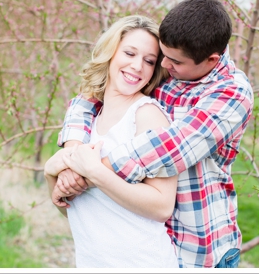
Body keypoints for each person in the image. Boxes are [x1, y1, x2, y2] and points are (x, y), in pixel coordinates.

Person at [55, 0, 254, 268]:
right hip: (154, 239)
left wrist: (85, 170)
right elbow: (90, 99)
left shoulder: (231, 94)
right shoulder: (176, 62)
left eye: (171, 61)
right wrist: (72, 150)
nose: (163, 66)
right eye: (161, 56)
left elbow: (170, 147)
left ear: (210, 60)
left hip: (199, 248)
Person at [43, 15, 178, 267]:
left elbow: (162, 206)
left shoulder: (147, 115)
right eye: (129, 53)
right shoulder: (89, 120)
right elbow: (73, 209)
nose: (138, 66)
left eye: (149, 61)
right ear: (110, 53)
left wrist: (95, 172)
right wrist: (50, 173)